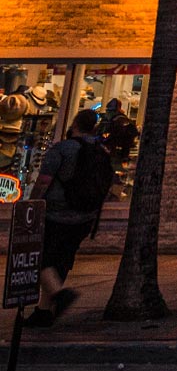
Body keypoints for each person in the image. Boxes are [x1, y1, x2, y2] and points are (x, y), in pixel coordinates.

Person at [23, 109, 114, 328]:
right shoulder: (101, 151)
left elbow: (44, 181)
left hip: (57, 214)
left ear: (74, 125)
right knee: (61, 261)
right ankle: (44, 311)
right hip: (85, 217)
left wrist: (31, 205)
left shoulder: (62, 149)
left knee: (42, 259)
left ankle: (59, 295)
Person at [100, 98, 139, 170]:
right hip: (112, 152)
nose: (108, 113)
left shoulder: (114, 120)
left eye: (109, 111)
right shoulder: (119, 120)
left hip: (111, 152)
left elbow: (127, 141)